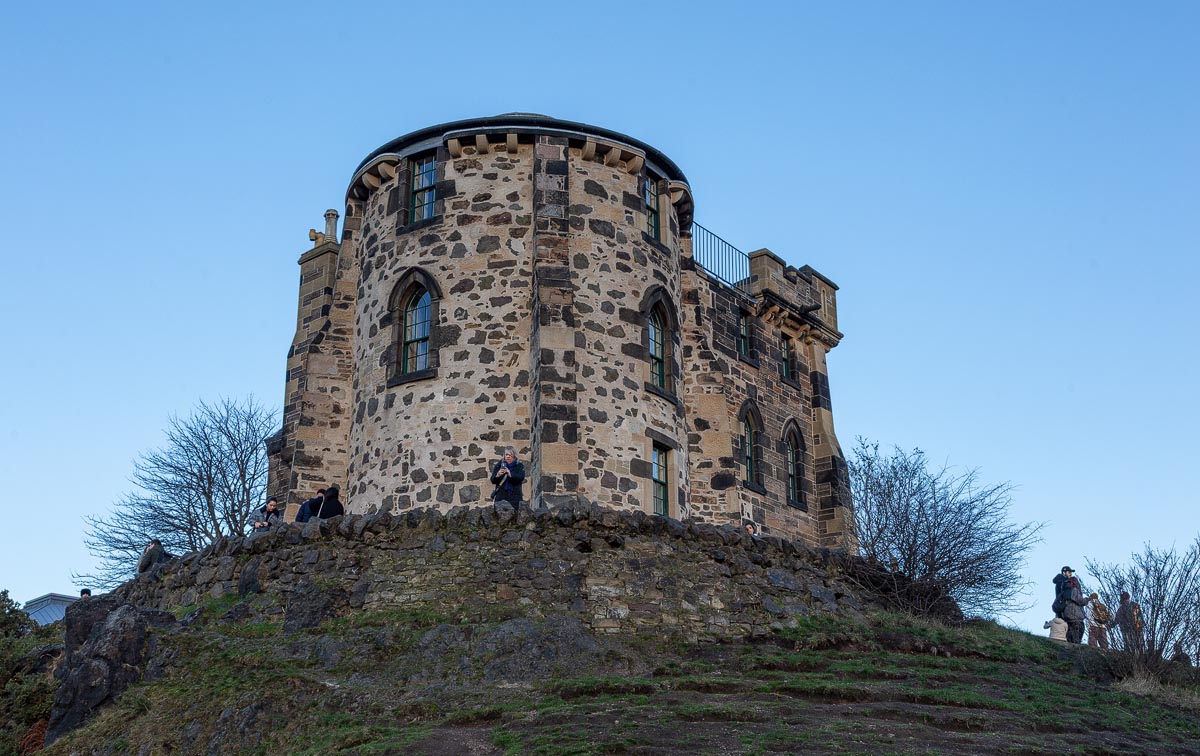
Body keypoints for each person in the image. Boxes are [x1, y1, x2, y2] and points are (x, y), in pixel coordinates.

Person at [1060, 571, 1088, 644]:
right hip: (1076, 616)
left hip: (1067, 616)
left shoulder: (1064, 591)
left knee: (1069, 638)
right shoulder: (1074, 589)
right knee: (1076, 640)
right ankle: (1076, 653)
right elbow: (1080, 601)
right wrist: (1088, 599)